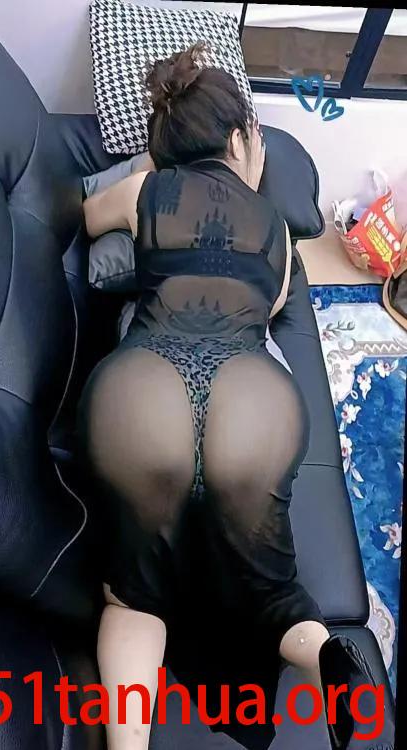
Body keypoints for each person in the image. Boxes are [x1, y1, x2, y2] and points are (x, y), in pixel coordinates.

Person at [78, 43, 393, 750]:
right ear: (239, 138)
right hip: (249, 394)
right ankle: (324, 655)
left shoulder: (146, 189)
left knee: (133, 595)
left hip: (145, 383)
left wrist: (146, 176)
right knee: (271, 590)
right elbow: (270, 305)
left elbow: (89, 215)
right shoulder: (275, 227)